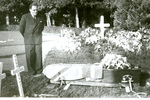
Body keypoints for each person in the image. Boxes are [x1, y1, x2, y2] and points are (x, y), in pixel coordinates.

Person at [19, 3, 45, 77]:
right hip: (28, 40)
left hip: (38, 40)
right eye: (34, 10)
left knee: (38, 56)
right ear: (30, 10)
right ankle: (31, 72)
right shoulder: (25, 17)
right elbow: (21, 29)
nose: (35, 11)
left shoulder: (41, 17)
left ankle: (39, 71)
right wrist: (27, 36)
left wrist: (37, 35)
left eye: (36, 10)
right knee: (30, 56)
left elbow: (41, 28)